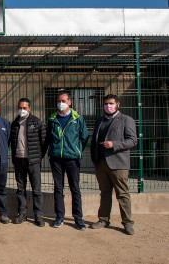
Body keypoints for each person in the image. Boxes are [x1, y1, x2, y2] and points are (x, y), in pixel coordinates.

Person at [90, 94, 137, 235]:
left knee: (122, 194)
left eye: (110, 103)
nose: (108, 106)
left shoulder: (126, 120)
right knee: (104, 193)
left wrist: (114, 144)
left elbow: (132, 140)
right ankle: (103, 219)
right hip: (102, 163)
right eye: (105, 104)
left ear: (118, 104)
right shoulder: (100, 121)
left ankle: (127, 223)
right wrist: (95, 159)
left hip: (118, 164)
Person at [46, 91, 89, 230]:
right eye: (59, 101)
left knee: (75, 188)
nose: (61, 103)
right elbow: (48, 138)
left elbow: (84, 137)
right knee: (58, 188)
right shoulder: (52, 119)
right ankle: (59, 217)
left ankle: (78, 218)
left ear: (70, 102)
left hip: (72, 159)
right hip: (56, 158)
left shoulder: (78, 118)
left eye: (63, 101)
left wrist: (76, 150)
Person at [9, 98, 46, 227]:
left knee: (36, 189)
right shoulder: (14, 123)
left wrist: (38, 156)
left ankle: (38, 215)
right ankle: (22, 213)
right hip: (19, 160)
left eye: (24, 108)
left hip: (33, 161)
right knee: (20, 189)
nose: (22, 110)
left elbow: (44, 141)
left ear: (29, 108)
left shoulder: (37, 122)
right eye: (20, 108)